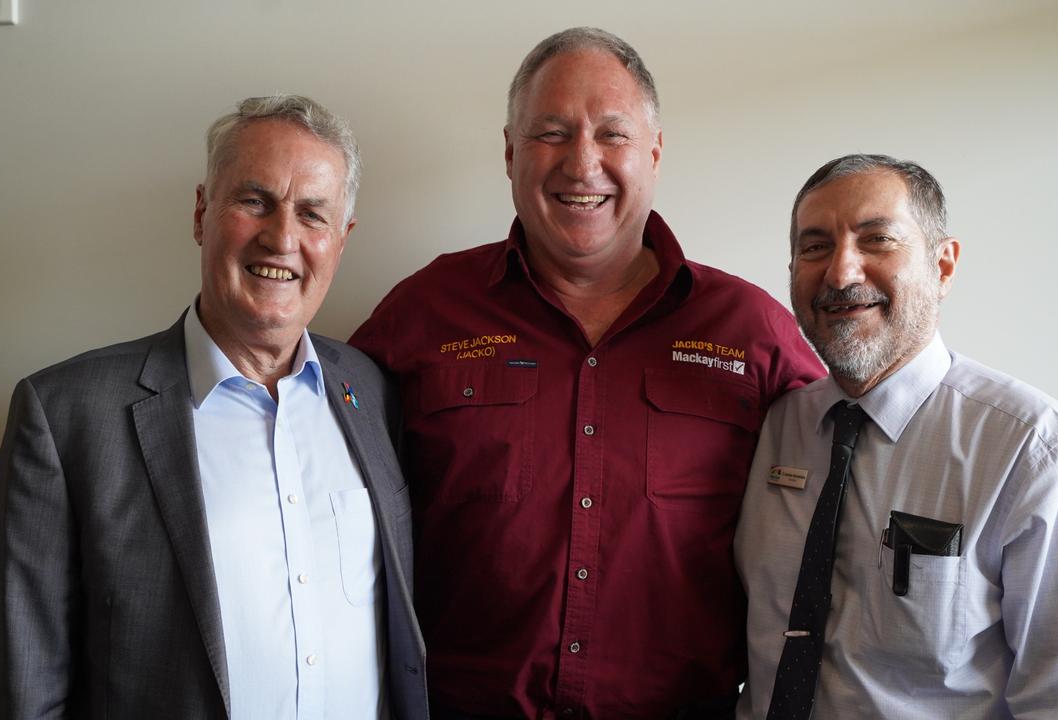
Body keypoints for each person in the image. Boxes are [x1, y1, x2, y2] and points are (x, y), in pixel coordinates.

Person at [350, 27, 824, 719]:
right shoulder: (424, 312)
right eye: (550, 132)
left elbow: (849, 497)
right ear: (510, 153)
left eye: (612, 134)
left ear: (654, 153)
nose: (582, 163)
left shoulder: (749, 332)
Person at [0, 95, 427, 720]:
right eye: (254, 201)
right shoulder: (66, 415)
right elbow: (19, 687)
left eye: (312, 214)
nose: (282, 237)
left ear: (341, 241)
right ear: (201, 213)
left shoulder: (371, 391)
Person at [735, 154, 1058, 718]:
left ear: (942, 267)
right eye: (815, 247)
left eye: (877, 240)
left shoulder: (1033, 450)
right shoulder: (774, 428)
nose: (842, 273)